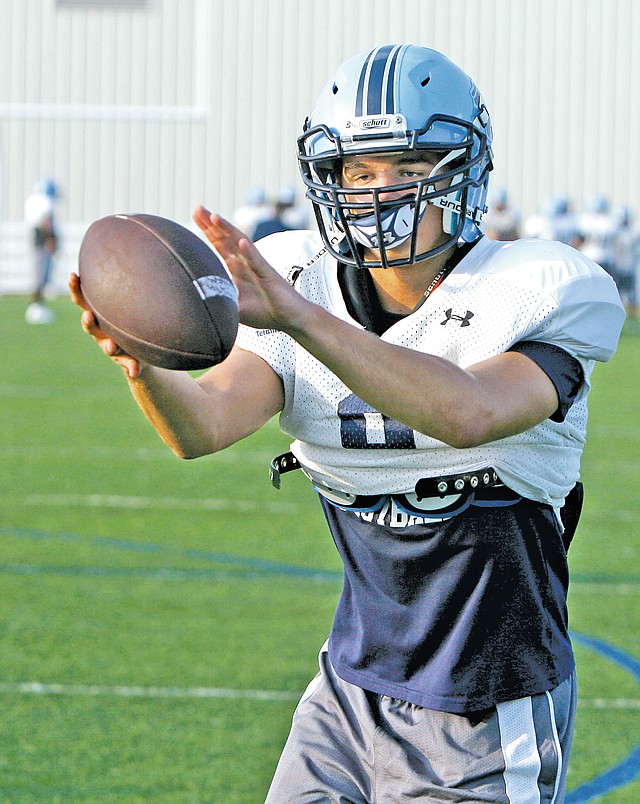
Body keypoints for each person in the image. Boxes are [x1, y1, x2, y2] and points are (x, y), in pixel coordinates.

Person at [70, 44, 625, 802]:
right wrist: (142, 364)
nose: (379, 192)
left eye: (407, 166)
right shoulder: (299, 278)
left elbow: (468, 413)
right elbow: (200, 426)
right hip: (348, 693)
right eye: (359, 172)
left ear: (462, 169)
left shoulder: (538, 287)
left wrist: (299, 320)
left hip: (486, 708)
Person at [24, 178, 59, 324]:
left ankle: (37, 306)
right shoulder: (44, 202)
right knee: (41, 274)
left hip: (36, 238)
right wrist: (50, 239)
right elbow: (46, 221)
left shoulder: (32, 201)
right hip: (42, 240)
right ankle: (36, 307)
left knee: (39, 273)